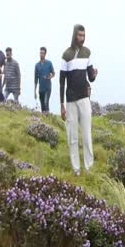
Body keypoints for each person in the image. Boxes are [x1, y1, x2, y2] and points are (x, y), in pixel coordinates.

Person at [60, 24, 98, 175]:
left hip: (84, 98)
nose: (81, 38)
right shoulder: (66, 55)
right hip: (70, 101)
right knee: (73, 136)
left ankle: (89, 167)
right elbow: (61, 82)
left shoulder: (87, 53)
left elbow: (91, 77)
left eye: (83, 36)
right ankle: (76, 169)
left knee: (87, 134)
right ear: (74, 35)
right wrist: (61, 105)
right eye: (79, 35)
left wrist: (94, 75)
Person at [34, 47, 55, 113]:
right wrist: (34, 91)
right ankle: (45, 119)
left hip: (48, 88)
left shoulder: (49, 63)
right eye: (40, 53)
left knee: (46, 102)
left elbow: (53, 73)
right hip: (41, 89)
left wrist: (50, 77)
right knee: (43, 106)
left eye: (42, 53)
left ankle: (48, 116)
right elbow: (36, 79)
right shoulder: (37, 65)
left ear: (45, 54)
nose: (41, 55)